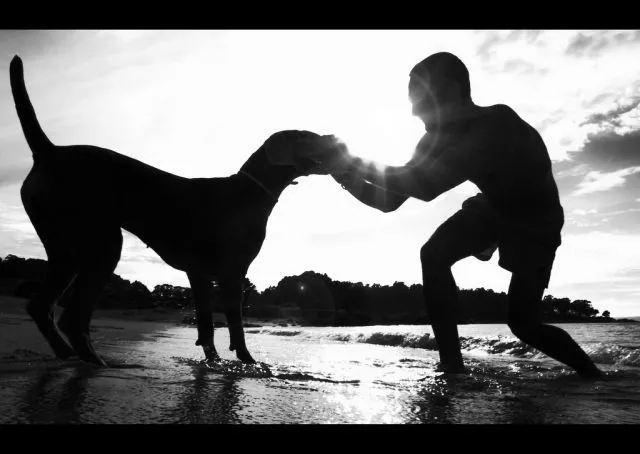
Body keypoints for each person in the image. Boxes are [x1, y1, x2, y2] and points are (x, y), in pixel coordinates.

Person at [330, 52, 602, 378]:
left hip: (536, 221)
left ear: (449, 88)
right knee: (433, 254)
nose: (414, 110)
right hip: (493, 207)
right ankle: (452, 367)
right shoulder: (432, 139)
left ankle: (594, 376)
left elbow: (426, 186)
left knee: (523, 325)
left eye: (418, 98)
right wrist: (343, 174)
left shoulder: (496, 123)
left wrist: (348, 159)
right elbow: (388, 200)